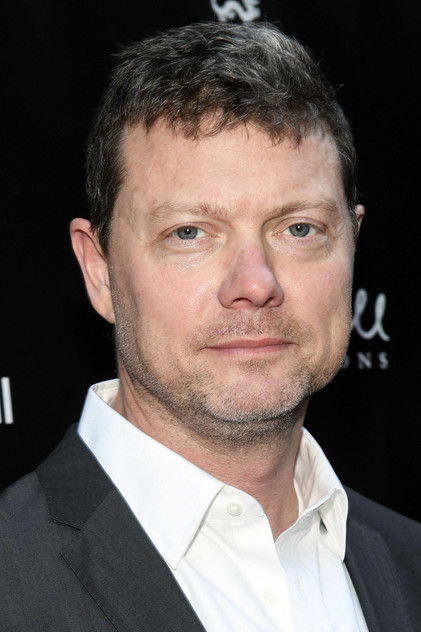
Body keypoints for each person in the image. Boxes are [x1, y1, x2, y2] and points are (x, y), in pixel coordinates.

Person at [0, 21, 419, 632]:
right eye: (190, 232)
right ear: (99, 271)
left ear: (352, 244)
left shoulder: (409, 564)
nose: (255, 283)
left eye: (299, 228)